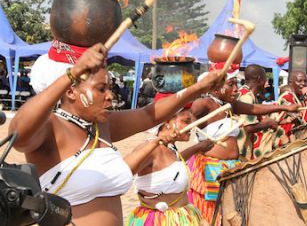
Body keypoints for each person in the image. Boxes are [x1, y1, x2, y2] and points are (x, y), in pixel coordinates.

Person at [9, 43, 224, 226]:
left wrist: (197, 89)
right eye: (101, 89)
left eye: (110, 88)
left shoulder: (102, 127)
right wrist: (72, 73)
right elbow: (18, 134)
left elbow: (149, 115)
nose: (110, 96)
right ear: (71, 91)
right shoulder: (51, 127)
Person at [188, 64, 299, 225]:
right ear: (216, 88)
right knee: (210, 215)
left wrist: (285, 107)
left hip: (231, 167)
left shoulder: (229, 105)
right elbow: (189, 114)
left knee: (232, 213)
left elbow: (255, 108)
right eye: (231, 84)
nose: (236, 89)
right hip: (210, 168)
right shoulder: (204, 104)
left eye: (236, 84)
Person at [125, 107, 214, 225]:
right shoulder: (151, 148)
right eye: (186, 121)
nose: (192, 126)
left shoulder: (169, 148)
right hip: (160, 221)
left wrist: (197, 148)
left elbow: (172, 164)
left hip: (184, 216)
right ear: (167, 122)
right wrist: (155, 143)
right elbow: (123, 170)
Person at [237, 64, 280, 159]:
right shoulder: (246, 97)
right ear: (260, 79)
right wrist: (269, 123)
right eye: (265, 79)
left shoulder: (246, 93)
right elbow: (249, 127)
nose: (266, 82)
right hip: (240, 151)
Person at [269, 71, 307, 148]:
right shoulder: (287, 97)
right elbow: (303, 117)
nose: (303, 84)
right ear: (291, 83)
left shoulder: (300, 98)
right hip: (283, 139)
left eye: (305, 81)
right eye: (299, 81)